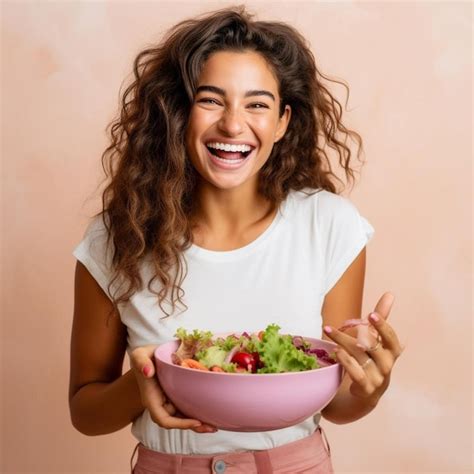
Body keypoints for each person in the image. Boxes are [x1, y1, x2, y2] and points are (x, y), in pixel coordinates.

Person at [69, 6, 404, 474]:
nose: (232, 124)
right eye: (210, 100)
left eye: (257, 104)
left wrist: (371, 387)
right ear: (178, 111)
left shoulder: (329, 226)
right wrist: (146, 381)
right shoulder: (116, 238)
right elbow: (84, 411)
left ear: (283, 122)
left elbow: (336, 404)